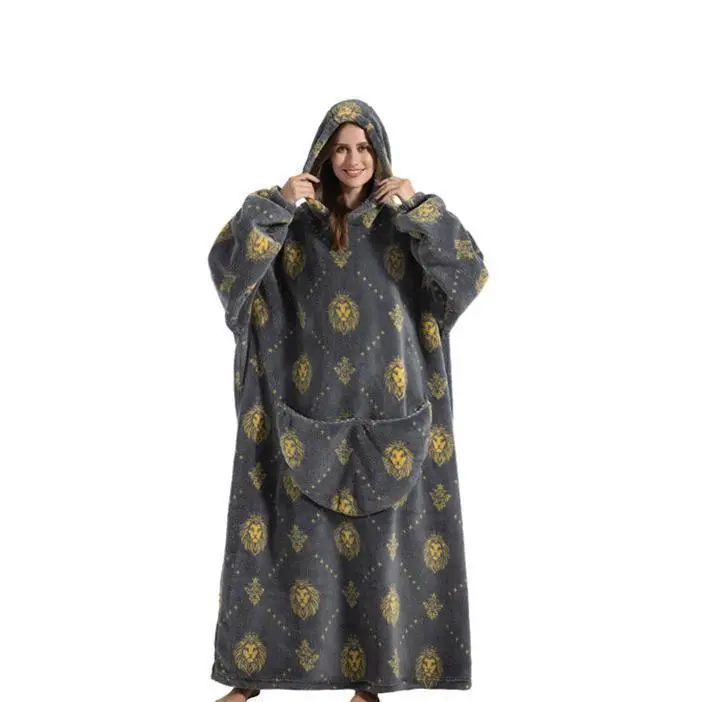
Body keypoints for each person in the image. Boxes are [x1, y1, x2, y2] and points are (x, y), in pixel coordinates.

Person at [207, 98, 489, 702]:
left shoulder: (404, 224)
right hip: (304, 414)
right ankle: (250, 679)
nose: (352, 159)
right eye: (340, 148)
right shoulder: (294, 226)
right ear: (322, 154)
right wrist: (276, 204)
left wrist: (420, 208)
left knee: (383, 555)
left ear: (379, 153)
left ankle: (373, 683)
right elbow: (229, 271)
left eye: (363, 148)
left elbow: (469, 275)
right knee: (285, 546)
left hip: (389, 417)